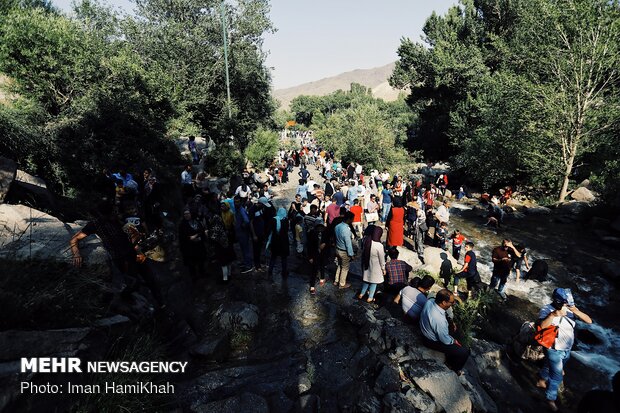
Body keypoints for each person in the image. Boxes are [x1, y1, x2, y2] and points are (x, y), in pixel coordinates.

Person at [536, 288, 592, 412]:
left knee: (548, 365)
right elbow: (541, 326)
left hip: (567, 348)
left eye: (568, 303)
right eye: (565, 303)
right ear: (558, 301)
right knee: (557, 377)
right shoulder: (547, 309)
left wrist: (574, 310)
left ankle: (541, 380)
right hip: (553, 348)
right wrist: (553, 315)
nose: (567, 305)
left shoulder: (570, 309)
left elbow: (589, 321)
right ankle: (550, 399)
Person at [419, 289, 470, 373]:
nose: (453, 303)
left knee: (455, 333)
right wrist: (454, 341)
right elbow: (445, 340)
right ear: (443, 302)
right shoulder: (439, 319)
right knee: (464, 352)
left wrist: (450, 322)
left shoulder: (431, 301)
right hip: (430, 341)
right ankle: (453, 368)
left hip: (426, 330)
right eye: (451, 302)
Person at [358, 226, 385, 303]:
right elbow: (381, 259)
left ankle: (361, 294)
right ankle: (370, 297)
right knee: (373, 282)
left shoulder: (367, 240)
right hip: (375, 267)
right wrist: (383, 268)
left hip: (366, 265)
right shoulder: (379, 245)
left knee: (366, 280)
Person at [178, 209, 206, 279]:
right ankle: (194, 276)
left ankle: (202, 272)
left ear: (191, 214)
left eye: (188, 213)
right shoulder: (182, 225)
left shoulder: (196, 221)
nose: (186, 215)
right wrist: (190, 239)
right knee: (191, 263)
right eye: (185, 214)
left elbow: (201, 230)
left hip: (199, 244)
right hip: (189, 247)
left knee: (201, 259)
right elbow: (182, 236)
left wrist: (197, 237)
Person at [266, 207, 289, 278]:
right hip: (284, 242)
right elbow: (287, 230)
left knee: (273, 257)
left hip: (275, 241)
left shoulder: (273, 220)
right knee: (284, 259)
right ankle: (284, 272)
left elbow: (270, 230)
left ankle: (270, 271)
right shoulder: (286, 220)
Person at [334, 211, 355, 289]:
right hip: (344, 251)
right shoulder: (346, 230)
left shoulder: (337, 226)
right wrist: (351, 255)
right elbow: (348, 244)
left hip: (337, 249)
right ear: (349, 219)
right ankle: (342, 284)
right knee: (345, 268)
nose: (353, 220)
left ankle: (336, 280)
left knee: (339, 265)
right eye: (352, 219)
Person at [233, 196, 254, 274]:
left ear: (241, 202)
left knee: (246, 250)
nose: (236, 203)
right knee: (243, 249)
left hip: (243, 234)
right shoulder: (237, 209)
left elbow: (247, 221)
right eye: (235, 202)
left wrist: (242, 226)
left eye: (238, 202)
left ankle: (249, 265)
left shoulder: (241, 210)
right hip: (240, 233)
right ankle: (245, 262)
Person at [307, 224, 327, 294]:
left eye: (322, 230)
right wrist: (310, 257)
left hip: (322, 254)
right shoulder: (312, 235)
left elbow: (328, 243)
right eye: (319, 230)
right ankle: (312, 286)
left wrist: (325, 244)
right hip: (314, 255)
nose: (320, 231)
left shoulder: (325, 234)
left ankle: (322, 278)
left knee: (322, 266)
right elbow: (309, 246)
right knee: (314, 271)